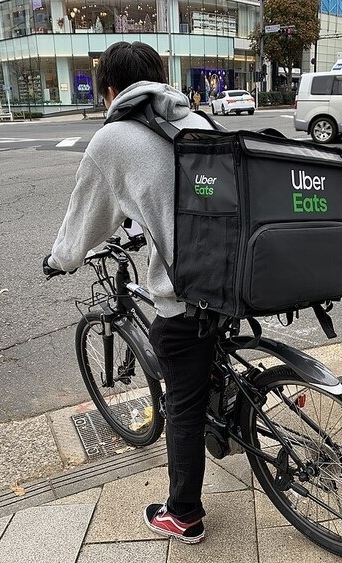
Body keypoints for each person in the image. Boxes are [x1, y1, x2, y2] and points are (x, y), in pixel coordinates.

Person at [43, 41, 216, 544]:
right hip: (234, 277)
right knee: (207, 361)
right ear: (160, 79)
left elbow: (85, 222)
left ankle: (183, 514)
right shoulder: (196, 120)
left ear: (111, 90)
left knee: (181, 401)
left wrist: (60, 261)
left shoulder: (113, 138)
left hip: (186, 295)